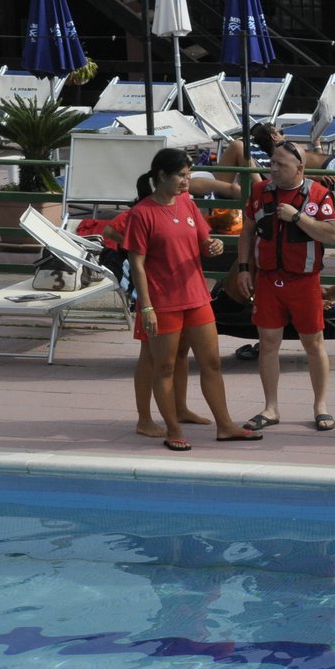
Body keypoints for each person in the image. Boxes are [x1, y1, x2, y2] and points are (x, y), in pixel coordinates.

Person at [121, 148, 262, 451]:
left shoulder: (186, 203)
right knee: (165, 367)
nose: (187, 181)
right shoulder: (142, 214)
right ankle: (172, 428)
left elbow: (203, 239)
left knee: (211, 362)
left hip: (196, 296)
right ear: (161, 176)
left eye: (188, 175)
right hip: (163, 302)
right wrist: (146, 307)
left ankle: (225, 425)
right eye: (181, 176)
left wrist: (210, 246)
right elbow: (137, 265)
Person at [236, 139, 335, 432]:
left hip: (304, 280)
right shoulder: (259, 192)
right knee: (268, 342)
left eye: (281, 165)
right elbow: (247, 230)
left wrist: (298, 217)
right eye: (272, 163)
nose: (274, 169)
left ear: (300, 167)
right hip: (268, 279)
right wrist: (244, 269)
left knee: (313, 342)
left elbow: (331, 235)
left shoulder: (318, 194)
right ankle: (271, 407)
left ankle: (320, 405)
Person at [101, 182, 206, 439]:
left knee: (180, 353)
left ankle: (180, 408)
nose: (184, 183)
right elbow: (109, 229)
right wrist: (137, 245)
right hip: (154, 296)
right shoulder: (142, 212)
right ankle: (144, 419)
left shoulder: (178, 206)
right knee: (149, 357)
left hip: (180, 295)